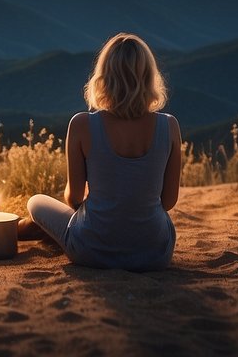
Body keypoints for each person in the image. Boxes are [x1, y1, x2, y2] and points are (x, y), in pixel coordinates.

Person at [26, 33, 180, 270]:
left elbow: (75, 198)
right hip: (154, 254)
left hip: (91, 251)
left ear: (104, 77)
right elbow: (168, 202)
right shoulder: (169, 126)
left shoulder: (82, 124)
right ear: (149, 77)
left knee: (35, 202)